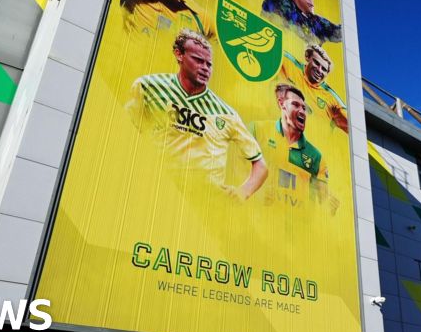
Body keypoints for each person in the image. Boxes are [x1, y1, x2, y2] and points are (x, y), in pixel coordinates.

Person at [127, 29, 267, 200]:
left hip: (203, 203)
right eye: (198, 60)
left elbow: (261, 165)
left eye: (209, 64)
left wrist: (243, 192)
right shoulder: (148, 87)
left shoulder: (227, 113)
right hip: (152, 190)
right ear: (179, 55)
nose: (205, 68)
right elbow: (125, 135)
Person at [251, 84, 338, 214]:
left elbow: (323, 201)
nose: (302, 111)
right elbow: (236, 170)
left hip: (299, 223)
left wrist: (330, 206)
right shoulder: (257, 130)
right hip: (259, 217)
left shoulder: (316, 157)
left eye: (304, 108)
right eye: (295, 105)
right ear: (282, 104)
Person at [278, 44, 348, 133]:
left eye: (324, 69)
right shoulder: (288, 63)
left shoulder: (331, 99)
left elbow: (350, 125)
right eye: (316, 63)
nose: (319, 70)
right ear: (307, 57)